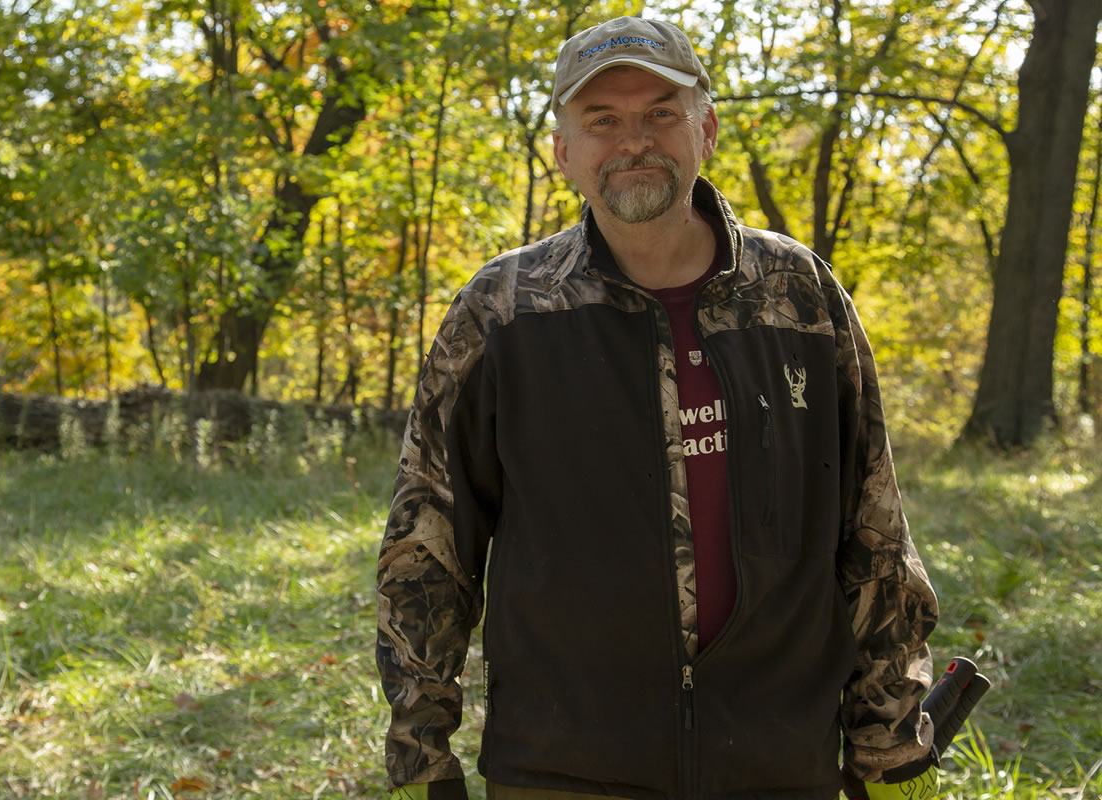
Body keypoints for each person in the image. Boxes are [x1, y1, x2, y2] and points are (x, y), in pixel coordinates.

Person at [375, 15, 940, 800]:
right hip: (559, 768)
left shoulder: (798, 297)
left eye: (660, 114)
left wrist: (891, 751)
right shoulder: (502, 315)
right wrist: (419, 757)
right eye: (602, 120)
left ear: (705, 130)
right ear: (563, 151)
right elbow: (427, 551)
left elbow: (874, 537)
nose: (633, 140)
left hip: (778, 765)